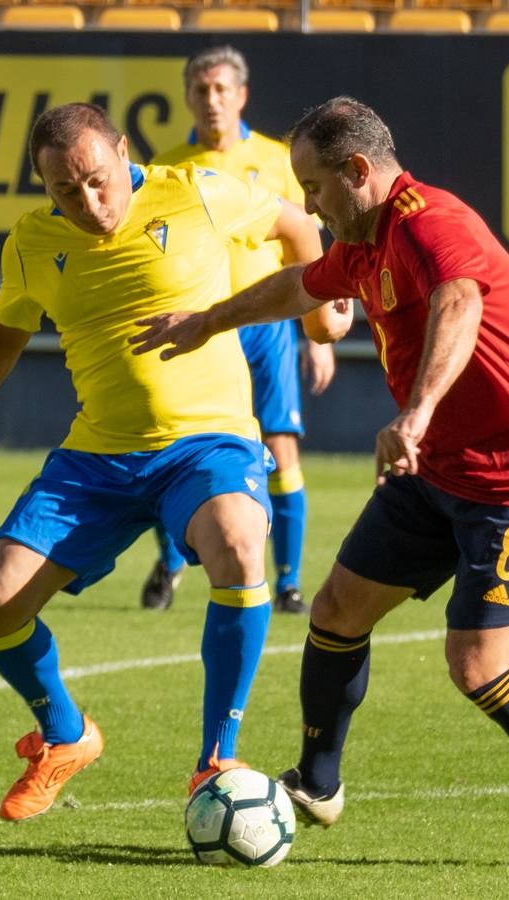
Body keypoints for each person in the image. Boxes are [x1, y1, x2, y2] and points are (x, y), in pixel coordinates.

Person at [130, 96, 509, 872]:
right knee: (335, 610)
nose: (307, 204)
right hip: (434, 465)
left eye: (315, 186)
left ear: (358, 171)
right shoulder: (363, 244)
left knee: (477, 665)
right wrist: (209, 320)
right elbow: (298, 286)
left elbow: (461, 301)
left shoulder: (433, 221)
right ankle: (319, 784)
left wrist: (420, 411)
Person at [0, 102, 334, 822]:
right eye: (65, 192)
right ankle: (66, 737)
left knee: (239, 543)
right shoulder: (31, 243)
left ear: (121, 151)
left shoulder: (196, 189)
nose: (88, 203)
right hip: (98, 457)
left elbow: (296, 223)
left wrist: (321, 309)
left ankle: (218, 758)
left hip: (208, 442)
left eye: (97, 180)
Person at [142, 45, 340, 615]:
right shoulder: (168, 167)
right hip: (196, 327)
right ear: (188, 97)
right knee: (169, 443)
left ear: (241, 95)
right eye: (200, 91)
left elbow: (311, 244)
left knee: (281, 446)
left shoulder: (278, 159)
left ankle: (289, 581)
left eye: (221, 90)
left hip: (266, 329)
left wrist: (315, 331)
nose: (211, 101)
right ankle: (172, 560)